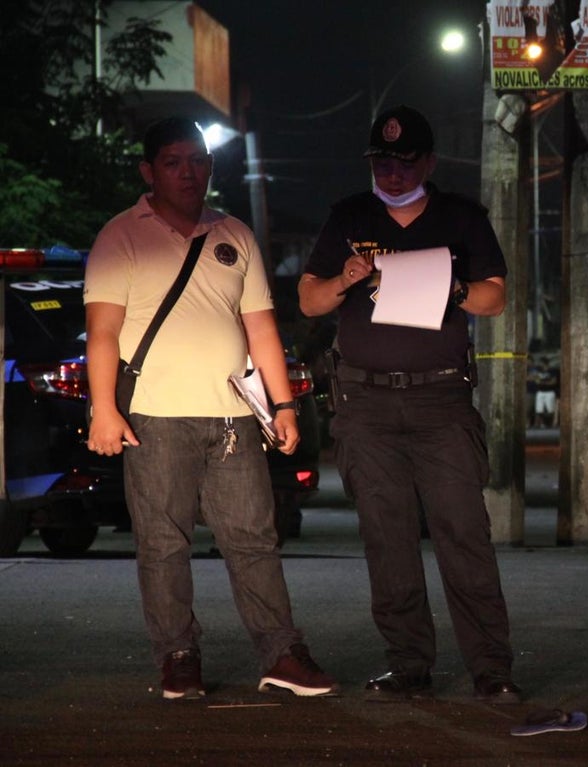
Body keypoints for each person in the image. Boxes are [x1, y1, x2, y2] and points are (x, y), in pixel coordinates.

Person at [84, 117, 337, 701]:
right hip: (153, 418)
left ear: (211, 167)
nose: (188, 172)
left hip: (232, 420)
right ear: (149, 171)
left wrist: (283, 405)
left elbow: (262, 329)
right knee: (163, 544)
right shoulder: (121, 236)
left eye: (197, 160)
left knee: (254, 538)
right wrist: (104, 409)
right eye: (173, 161)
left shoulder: (235, 234)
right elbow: (102, 332)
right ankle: (178, 656)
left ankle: (281, 654)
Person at [297, 104, 519, 704]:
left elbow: (496, 297)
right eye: (381, 161)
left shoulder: (460, 218)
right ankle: (409, 665)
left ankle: (492, 671)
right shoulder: (350, 216)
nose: (391, 173)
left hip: (441, 400)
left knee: (463, 534)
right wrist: (345, 278)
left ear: (428, 162)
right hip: (365, 402)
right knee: (387, 539)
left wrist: (455, 288)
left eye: (403, 161)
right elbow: (311, 300)